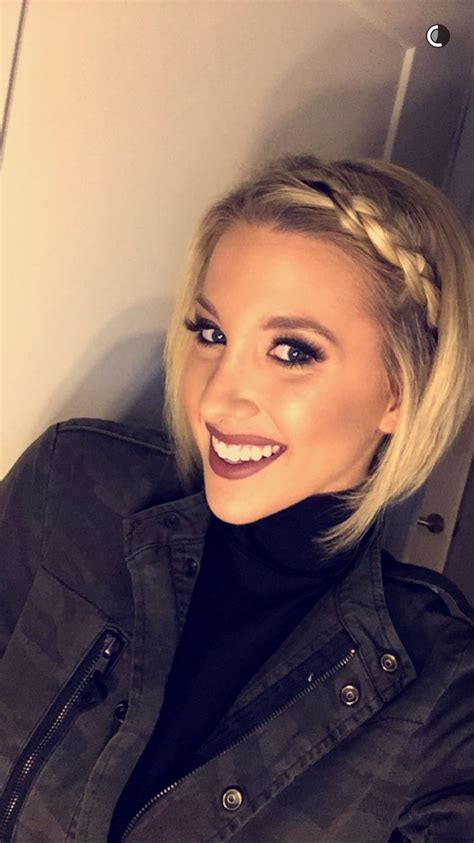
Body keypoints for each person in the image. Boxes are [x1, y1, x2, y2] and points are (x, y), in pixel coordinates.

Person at [0, 153, 473, 843]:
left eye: (292, 351)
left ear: (400, 392)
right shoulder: (72, 489)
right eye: (211, 333)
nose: (216, 398)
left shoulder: (441, 701)